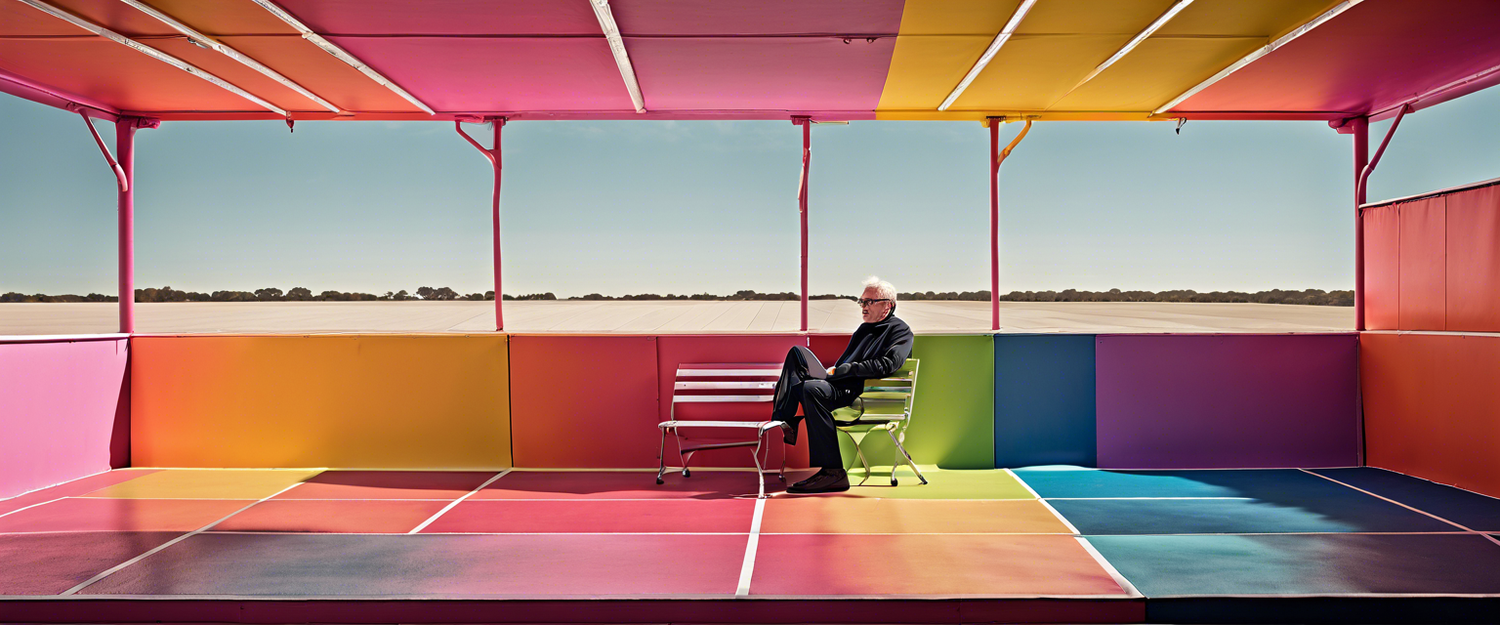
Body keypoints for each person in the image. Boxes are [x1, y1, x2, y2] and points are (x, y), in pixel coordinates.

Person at [772, 277, 913, 493]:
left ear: (887, 305)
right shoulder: (864, 328)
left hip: (855, 392)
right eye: (861, 302)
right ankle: (786, 420)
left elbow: (889, 363)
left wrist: (843, 371)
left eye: (869, 302)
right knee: (796, 355)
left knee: (809, 389)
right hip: (838, 384)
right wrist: (832, 373)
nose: (863, 307)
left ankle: (832, 472)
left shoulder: (900, 331)